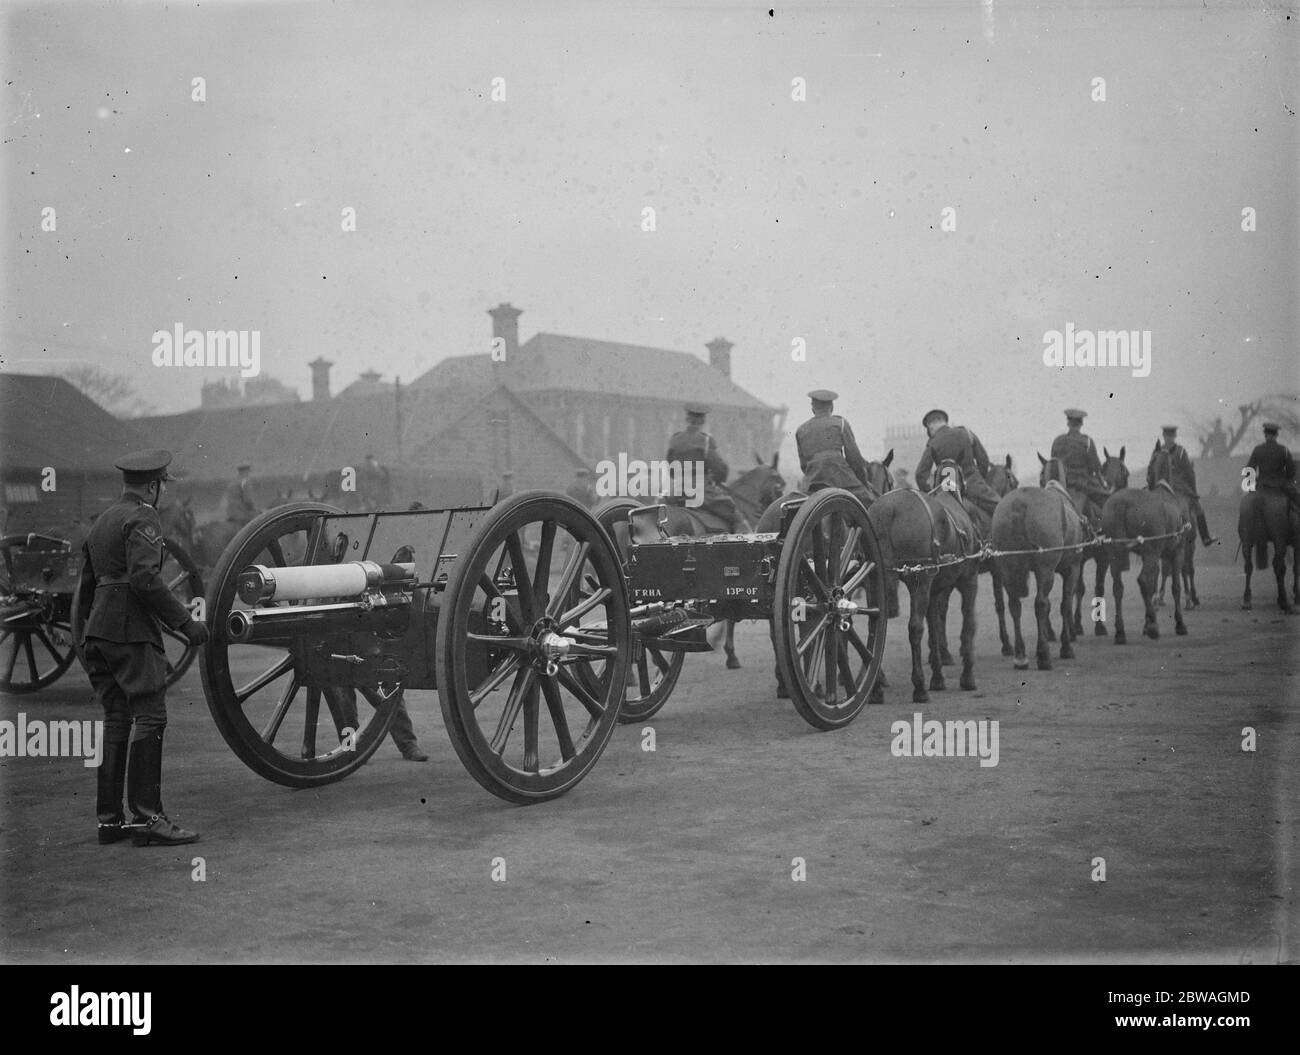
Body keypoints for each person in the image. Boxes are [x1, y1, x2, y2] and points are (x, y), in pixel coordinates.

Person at [75, 449, 209, 847]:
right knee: (150, 716)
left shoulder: (102, 521)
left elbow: (85, 587)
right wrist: (186, 623)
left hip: (99, 633)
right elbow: (146, 579)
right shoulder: (143, 517)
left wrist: (86, 635)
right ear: (152, 486)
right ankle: (149, 819)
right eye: (161, 486)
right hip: (130, 632)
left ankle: (110, 821)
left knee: (117, 719)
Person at [665, 404, 748, 531]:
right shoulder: (706, 441)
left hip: (677, 492)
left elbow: (671, 469)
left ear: (687, 419)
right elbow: (719, 469)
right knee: (732, 511)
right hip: (701, 492)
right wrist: (717, 479)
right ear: (703, 421)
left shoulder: (675, 440)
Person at [794, 390, 877, 508]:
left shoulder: (801, 430)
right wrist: (864, 483)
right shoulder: (840, 423)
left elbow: (804, 465)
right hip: (840, 477)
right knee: (871, 504)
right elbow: (854, 459)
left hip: (812, 482)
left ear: (813, 408)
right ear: (831, 407)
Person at [914, 409, 999, 517]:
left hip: (947, 492)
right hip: (974, 486)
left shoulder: (932, 444)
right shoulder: (966, 433)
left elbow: (920, 475)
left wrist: (930, 493)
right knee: (1003, 510)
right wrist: (979, 479)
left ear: (931, 427)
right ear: (945, 422)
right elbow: (983, 460)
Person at [1147, 425, 1217, 546]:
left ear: (1173, 437)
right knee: (1198, 508)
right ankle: (1205, 537)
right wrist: (1193, 492)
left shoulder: (1159, 450)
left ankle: (1146, 536)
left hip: (1162, 486)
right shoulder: (1180, 451)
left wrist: (1151, 486)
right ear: (1165, 436)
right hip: (1178, 487)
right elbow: (1189, 472)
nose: (1169, 438)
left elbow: (1151, 470)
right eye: (1168, 436)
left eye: (1171, 436)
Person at [1048, 409, 1111, 513]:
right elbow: (1095, 467)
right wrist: (1103, 485)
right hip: (1083, 483)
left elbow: (1054, 464)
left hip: (1062, 483)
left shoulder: (1057, 441)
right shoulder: (1087, 441)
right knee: (1108, 503)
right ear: (1081, 424)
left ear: (1068, 423)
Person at [1246, 422, 1299, 516]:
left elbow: (1249, 470)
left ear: (1265, 435)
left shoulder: (1257, 449)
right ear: (1276, 435)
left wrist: (1251, 486)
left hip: (1261, 486)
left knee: (1246, 505)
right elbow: (1291, 471)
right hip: (1281, 486)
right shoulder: (1284, 450)